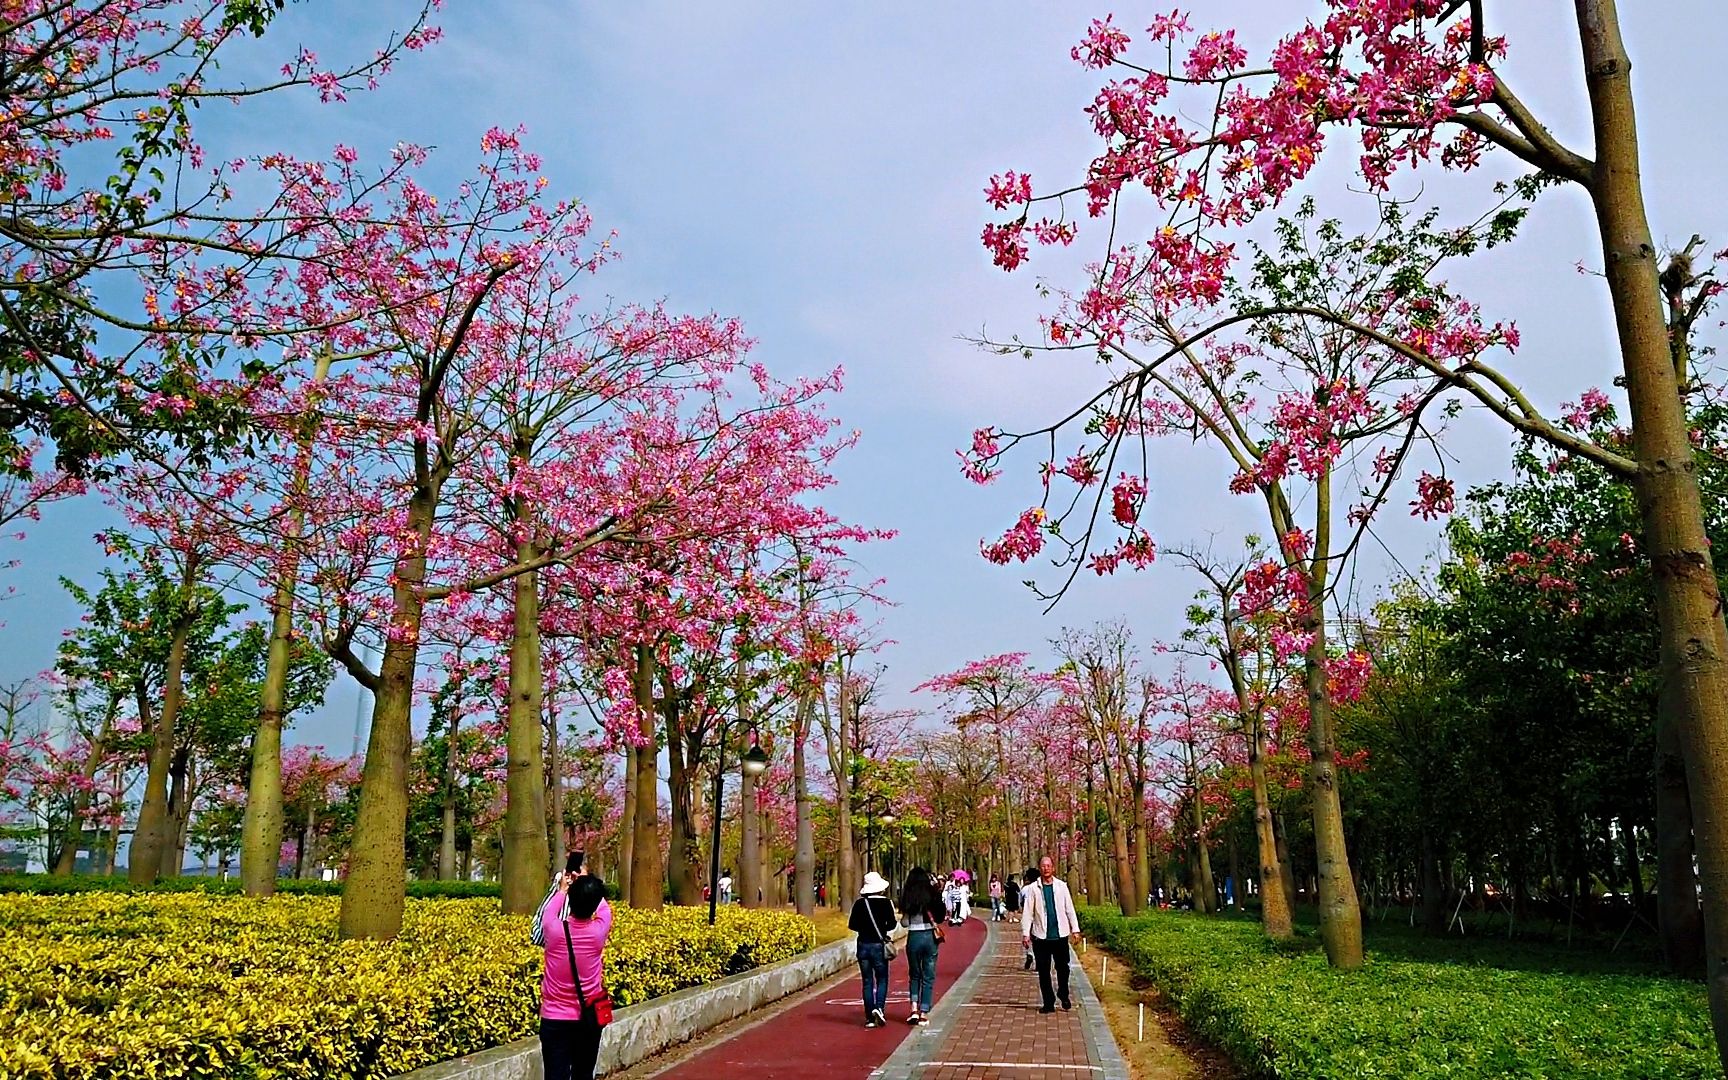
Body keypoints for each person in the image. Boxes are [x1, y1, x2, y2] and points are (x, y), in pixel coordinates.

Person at [532, 865, 614, 1080]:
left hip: (554, 1018)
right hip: (588, 1018)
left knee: (555, 1075)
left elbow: (549, 910)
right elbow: (603, 908)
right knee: (584, 1074)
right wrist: (587, 880)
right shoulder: (599, 931)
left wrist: (563, 888)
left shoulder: (554, 929)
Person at [1020, 855, 1082, 1013]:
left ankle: (1063, 993)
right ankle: (1048, 1002)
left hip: (1060, 935)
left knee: (1063, 968)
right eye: (1043, 866)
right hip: (1041, 936)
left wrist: (1075, 929)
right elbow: (1028, 913)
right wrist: (1026, 934)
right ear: (1040, 869)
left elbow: (1069, 909)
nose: (1046, 868)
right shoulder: (1034, 888)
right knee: (1043, 970)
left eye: (1048, 866)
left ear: (1053, 868)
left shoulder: (1062, 886)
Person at [848, 870, 898, 1028]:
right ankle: (879, 1008)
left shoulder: (859, 904)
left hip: (863, 945)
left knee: (867, 981)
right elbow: (892, 924)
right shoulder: (886, 903)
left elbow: (852, 925)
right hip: (878, 945)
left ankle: (869, 1017)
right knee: (882, 979)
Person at [899, 867, 946, 1025]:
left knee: (915, 974)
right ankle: (924, 1012)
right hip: (929, 937)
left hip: (914, 936)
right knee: (928, 975)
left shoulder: (908, 897)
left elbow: (904, 923)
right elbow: (940, 917)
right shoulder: (932, 894)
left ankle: (913, 1009)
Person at [1018, 867, 1038, 970]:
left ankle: (1029, 953)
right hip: (1038, 917)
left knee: (1027, 936)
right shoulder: (1039, 888)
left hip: (1027, 915)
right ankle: (1038, 959)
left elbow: (1020, 904)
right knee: (1038, 939)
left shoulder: (1024, 889)